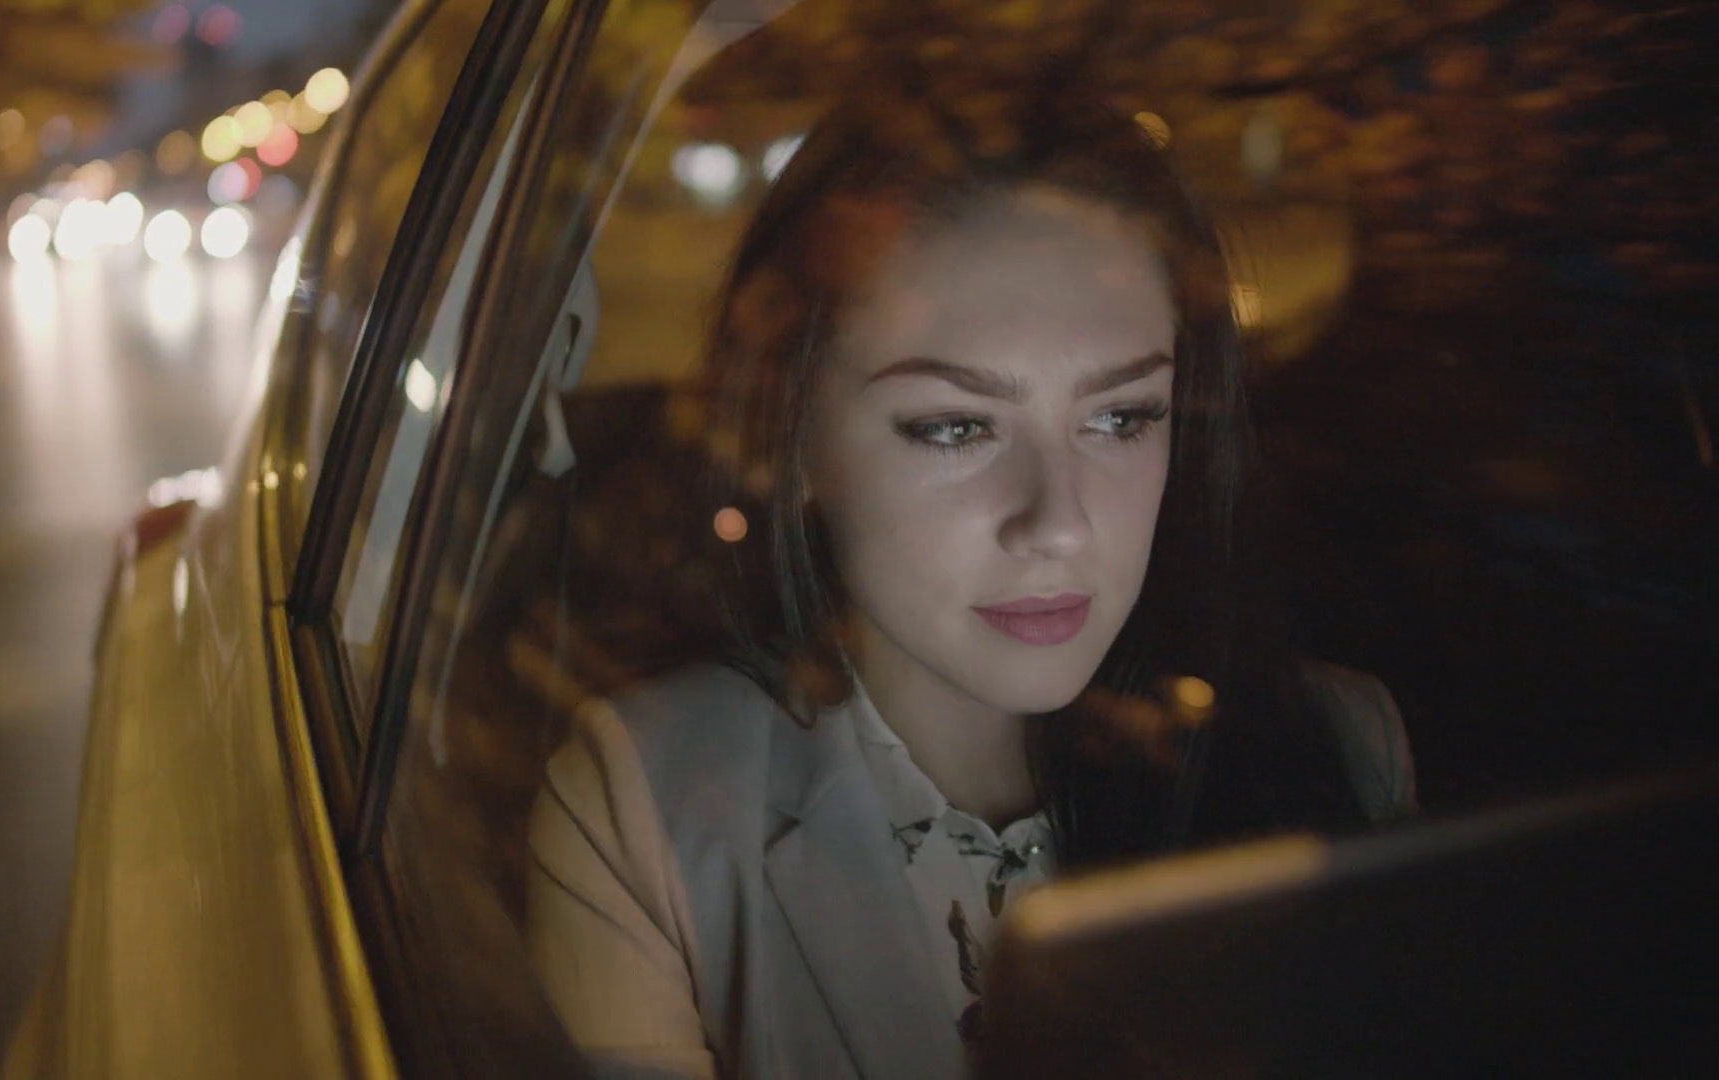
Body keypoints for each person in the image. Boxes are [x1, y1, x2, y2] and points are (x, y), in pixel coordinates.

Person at [525, 72, 1415, 1080]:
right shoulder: (647, 808)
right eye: (955, 427)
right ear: (793, 437)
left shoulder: (1340, 752)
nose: (1059, 524)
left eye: (1121, 417)